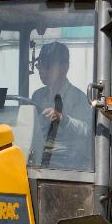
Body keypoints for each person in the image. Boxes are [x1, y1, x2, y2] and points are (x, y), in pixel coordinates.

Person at [30, 41, 93, 171]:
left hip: (69, 163)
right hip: (38, 160)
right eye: (40, 65)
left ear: (65, 67)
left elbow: (87, 130)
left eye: (47, 65)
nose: (42, 70)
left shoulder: (79, 98)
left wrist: (64, 119)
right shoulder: (37, 96)